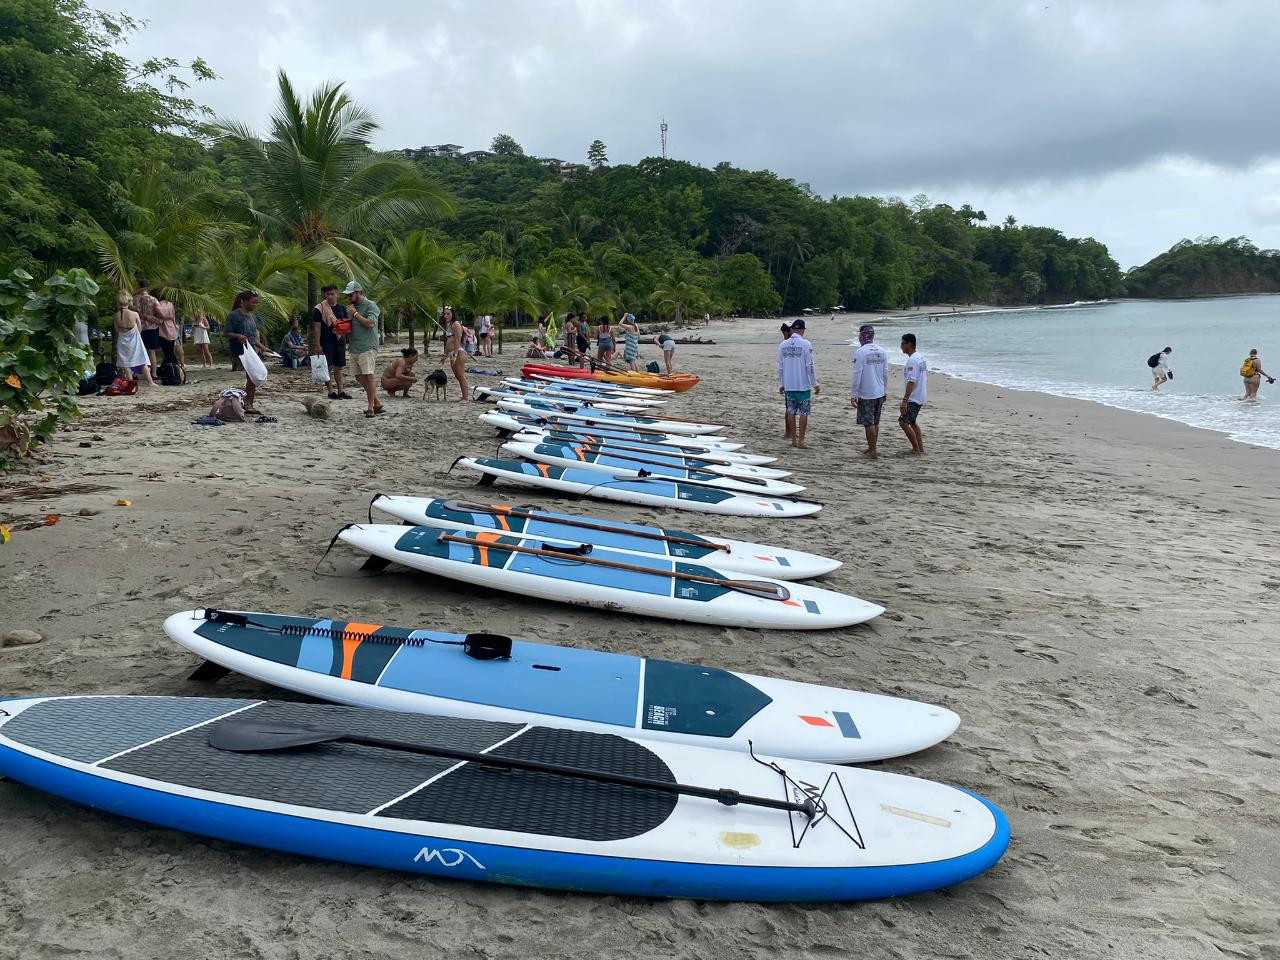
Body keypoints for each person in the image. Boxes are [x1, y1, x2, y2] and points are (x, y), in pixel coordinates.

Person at [777, 318, 819, 448]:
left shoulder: (783, 345)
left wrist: (781, 384)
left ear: (792, 330)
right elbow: (810, 366)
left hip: (789, 384)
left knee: (791, 412)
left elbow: (780, 366)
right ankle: (801, 440)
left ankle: (793, 440)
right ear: (801, 330)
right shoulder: (806, 344)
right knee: (803, 413)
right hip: (802, 384)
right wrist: (815, 383)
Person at [225, 291, 268, 414]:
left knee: (253, 376)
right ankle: (248, 403)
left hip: (251, 349)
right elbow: (227, 333)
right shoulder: (234, 315)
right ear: (244, 301)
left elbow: (252, 336)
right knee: (252, 376)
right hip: (239, 349)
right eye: (253, 302)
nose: (255, 305)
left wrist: (263, 347)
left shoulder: (250, 316)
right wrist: (238, 336)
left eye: (256, 303)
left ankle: (248, 402)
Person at [849, 323, 888, 458]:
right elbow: (885, 373)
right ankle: (873, 447)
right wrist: (885, 390)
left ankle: (872, 451)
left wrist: (854, 394)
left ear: (862, 336)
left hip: (867, 392)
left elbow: (857, 374)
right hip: (879, 391)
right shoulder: (882, 351)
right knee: (875, 421)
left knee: (869, 423)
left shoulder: (861, 352)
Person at [344, 281, 383, 417]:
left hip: (367, 346)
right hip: (354, 346)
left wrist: (355, 314)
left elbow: (371, 323)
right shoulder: (351, 308)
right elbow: (350, 326)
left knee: (369, 376)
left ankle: (371, 407)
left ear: (359, 293)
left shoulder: (371, 305)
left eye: (350, 295)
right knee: (358, 376)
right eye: (347, 295)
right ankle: (377, 403)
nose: (348, 298)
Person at [310, 285, 350, 400]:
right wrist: (317, 345)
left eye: (332, 294)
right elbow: (316, 328)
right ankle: (331, 391)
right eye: (328, 294)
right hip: (326, 341)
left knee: (339, 367)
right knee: (327, 367)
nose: (330, 296)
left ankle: (341, 391)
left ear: (337, 294)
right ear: (325, 295)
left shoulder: (342, 308)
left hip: (339, 341)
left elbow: (345, 325)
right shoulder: (319, 309)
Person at [113, 291, 156, 386]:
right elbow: (140, 329)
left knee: (126, 363)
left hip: (122, 339)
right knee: (142, 360)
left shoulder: (115, 315)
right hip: (135, 339)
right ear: (129, 302)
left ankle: (130, 382)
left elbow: (117, 330)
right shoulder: (134, 314)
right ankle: (150, 382)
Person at [898, 332, 928, 454]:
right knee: (913, 422)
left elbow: (912, 381)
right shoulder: (920, 357)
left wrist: (905, 400)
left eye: (903, 343)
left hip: (914, 397)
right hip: (920, 395)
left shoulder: (913, 361)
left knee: (903, 422)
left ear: (909, 344)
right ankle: (920, 448)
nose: (901, 346)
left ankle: (916, 448)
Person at [132, 281, 162, 376]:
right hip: (151, 328)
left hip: (137, 328)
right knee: (151, 352)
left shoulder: (133, 300)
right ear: (148, 288)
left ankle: (135, 374)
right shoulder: (153, 299)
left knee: (136, 352)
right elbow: (160, 315)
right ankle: (153, 374)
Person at [443, 305, 470, 402]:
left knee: (461, 375)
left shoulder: (456, 324)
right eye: (444, 314)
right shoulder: (449, 325)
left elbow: (457, 340)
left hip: (459, 353)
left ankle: (466, 398)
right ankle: (464, 396)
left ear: (453, 314)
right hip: (451, 353)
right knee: (457, 375)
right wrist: (445, 355)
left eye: (448, 314)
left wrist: (455, 354)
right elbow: (449, 341)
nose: (445, 316)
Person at [154, 291, 182, 374]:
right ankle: (171, 367)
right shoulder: (170, 304)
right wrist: (174, 326)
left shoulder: (157, 305)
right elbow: (173, 317)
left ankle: (173, 366)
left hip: (162, 329)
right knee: (170, 349)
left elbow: (159, 316)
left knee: (167, 351)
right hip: (171, 328)